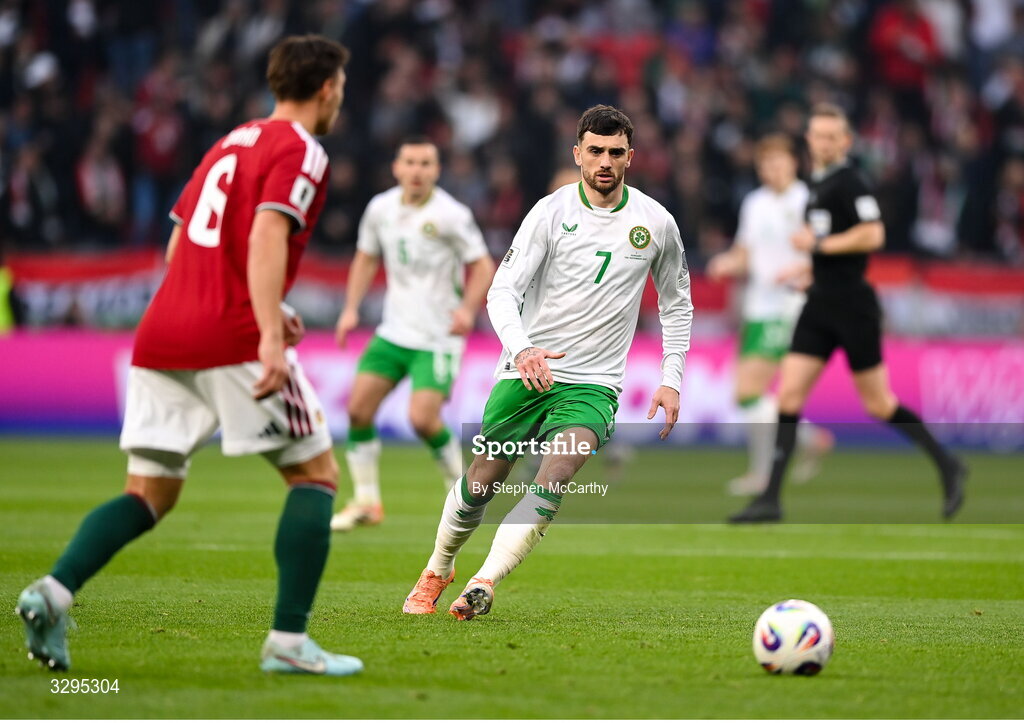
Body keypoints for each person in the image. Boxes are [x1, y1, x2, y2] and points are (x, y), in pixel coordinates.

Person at [15, 35, 363, 676]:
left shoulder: (230, 142)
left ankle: (54, 592)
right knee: (315, 475)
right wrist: (266, 331)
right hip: (227, 335)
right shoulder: (303, 150)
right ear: (327, 88)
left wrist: (261, 306)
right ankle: (289, 643)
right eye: (340, 85)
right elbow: (265, 234)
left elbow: (180, 249)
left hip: (161, 334)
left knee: (150, 491)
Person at [402, 105, 692, 620]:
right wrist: (522, 349)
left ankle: (483, 581)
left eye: (616, 152)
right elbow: (502, 291)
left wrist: (671, 378)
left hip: (594, 384)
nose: (605, 161)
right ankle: (439, 565)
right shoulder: (550, 211)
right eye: (596, 151)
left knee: (556, 473)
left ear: (631, 157)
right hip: (526, 373)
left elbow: (677, 303)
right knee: (480, 484)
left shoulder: (656, 223)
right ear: (577, 153)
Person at [729, 103, 966, 524]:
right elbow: (828, 249)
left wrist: (818, 248)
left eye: (829, 136)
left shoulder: (850, 182)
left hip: (853, 307)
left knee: (878, 404)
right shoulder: (818, 186)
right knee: (788, 396)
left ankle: (948, 465)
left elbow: (873, 234)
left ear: (845, 142)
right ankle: (770, 499)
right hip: (818, 303)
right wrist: (807, 268)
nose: (821, 143)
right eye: (815, 135)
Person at [330, 139, 494, 532]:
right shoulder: (380, 209)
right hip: (393, 330)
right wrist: (351, 308)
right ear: (397, 168)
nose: (417, 170)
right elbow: (366, 257)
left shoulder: (452, 215)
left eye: (426, 163)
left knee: (422, 419)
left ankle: (464, 493)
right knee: (357, 411)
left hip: (437, 336)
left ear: (436, 171)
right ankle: (367, 502)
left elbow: (483, 264)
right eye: (410, 162)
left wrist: (468, 310)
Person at [707, 134, 833, 496]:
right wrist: (727, 262)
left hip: (790, 306)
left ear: (794, 163)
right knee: (752, 394)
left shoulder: (808, 199)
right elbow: (744, 252)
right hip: (758, 305)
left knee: (748, 391)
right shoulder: (754, 203)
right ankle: (783, 456)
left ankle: (795, 446)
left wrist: (801, 272)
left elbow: (825, 251)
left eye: (778, 162)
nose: (771, 169)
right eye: (765, 164)